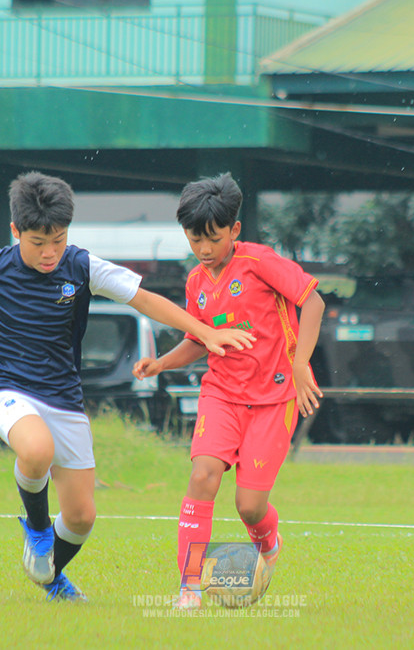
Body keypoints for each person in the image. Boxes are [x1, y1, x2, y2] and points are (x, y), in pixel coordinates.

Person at [0, 172, 254, 603]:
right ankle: (38, 529)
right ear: (15, 231)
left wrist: (205, 333)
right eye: (38, 241)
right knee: (36, 450)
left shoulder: (80, 266)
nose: (49, 252)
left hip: (62, 395)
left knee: (81, 517)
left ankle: (51, 577)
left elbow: (145, 299)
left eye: (58, 240)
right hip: (4, 385)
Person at [132, 172, 325, 609]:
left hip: (274, 400)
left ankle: (269, 541)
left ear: (234, 230)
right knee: (202, 476)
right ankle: (190, 587)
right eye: (193, 238)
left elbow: (313, 301)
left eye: (212, 239)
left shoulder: (260, 262)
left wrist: (299, 365)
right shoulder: (196, 283)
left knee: (249, 506)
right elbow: (200, 340)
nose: (203, 249)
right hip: (221, 394)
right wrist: (161, 361)